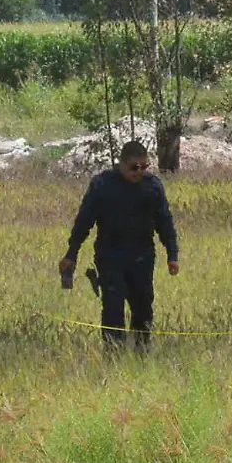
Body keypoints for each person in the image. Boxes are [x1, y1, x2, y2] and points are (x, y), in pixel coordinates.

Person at [58, 141, 180, 349]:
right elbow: (84, 222)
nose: (138, 172)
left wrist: (172, 254)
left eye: (144, 166)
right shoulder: (102, 185)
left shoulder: (153, 186)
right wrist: (71, 254)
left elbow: (165, 222)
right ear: (121, 164)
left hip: (143, 255)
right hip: (110, 255)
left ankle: (142, 352)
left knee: (143, 307)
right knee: (113, 305)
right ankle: (113, 352)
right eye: (134, 167)